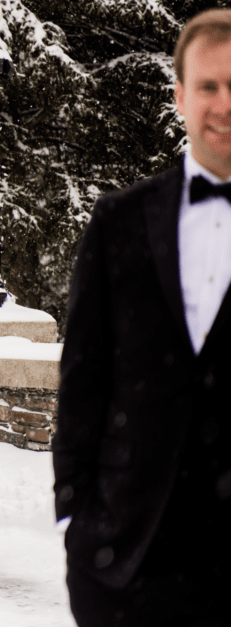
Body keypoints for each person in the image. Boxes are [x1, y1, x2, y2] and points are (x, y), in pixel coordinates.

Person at [55, 9, 231, 625]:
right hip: (125, 551)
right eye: (208, 86)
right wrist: (75, 514)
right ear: (180, 95)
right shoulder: (120, 222)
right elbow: (84, 374)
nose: (224, 103)